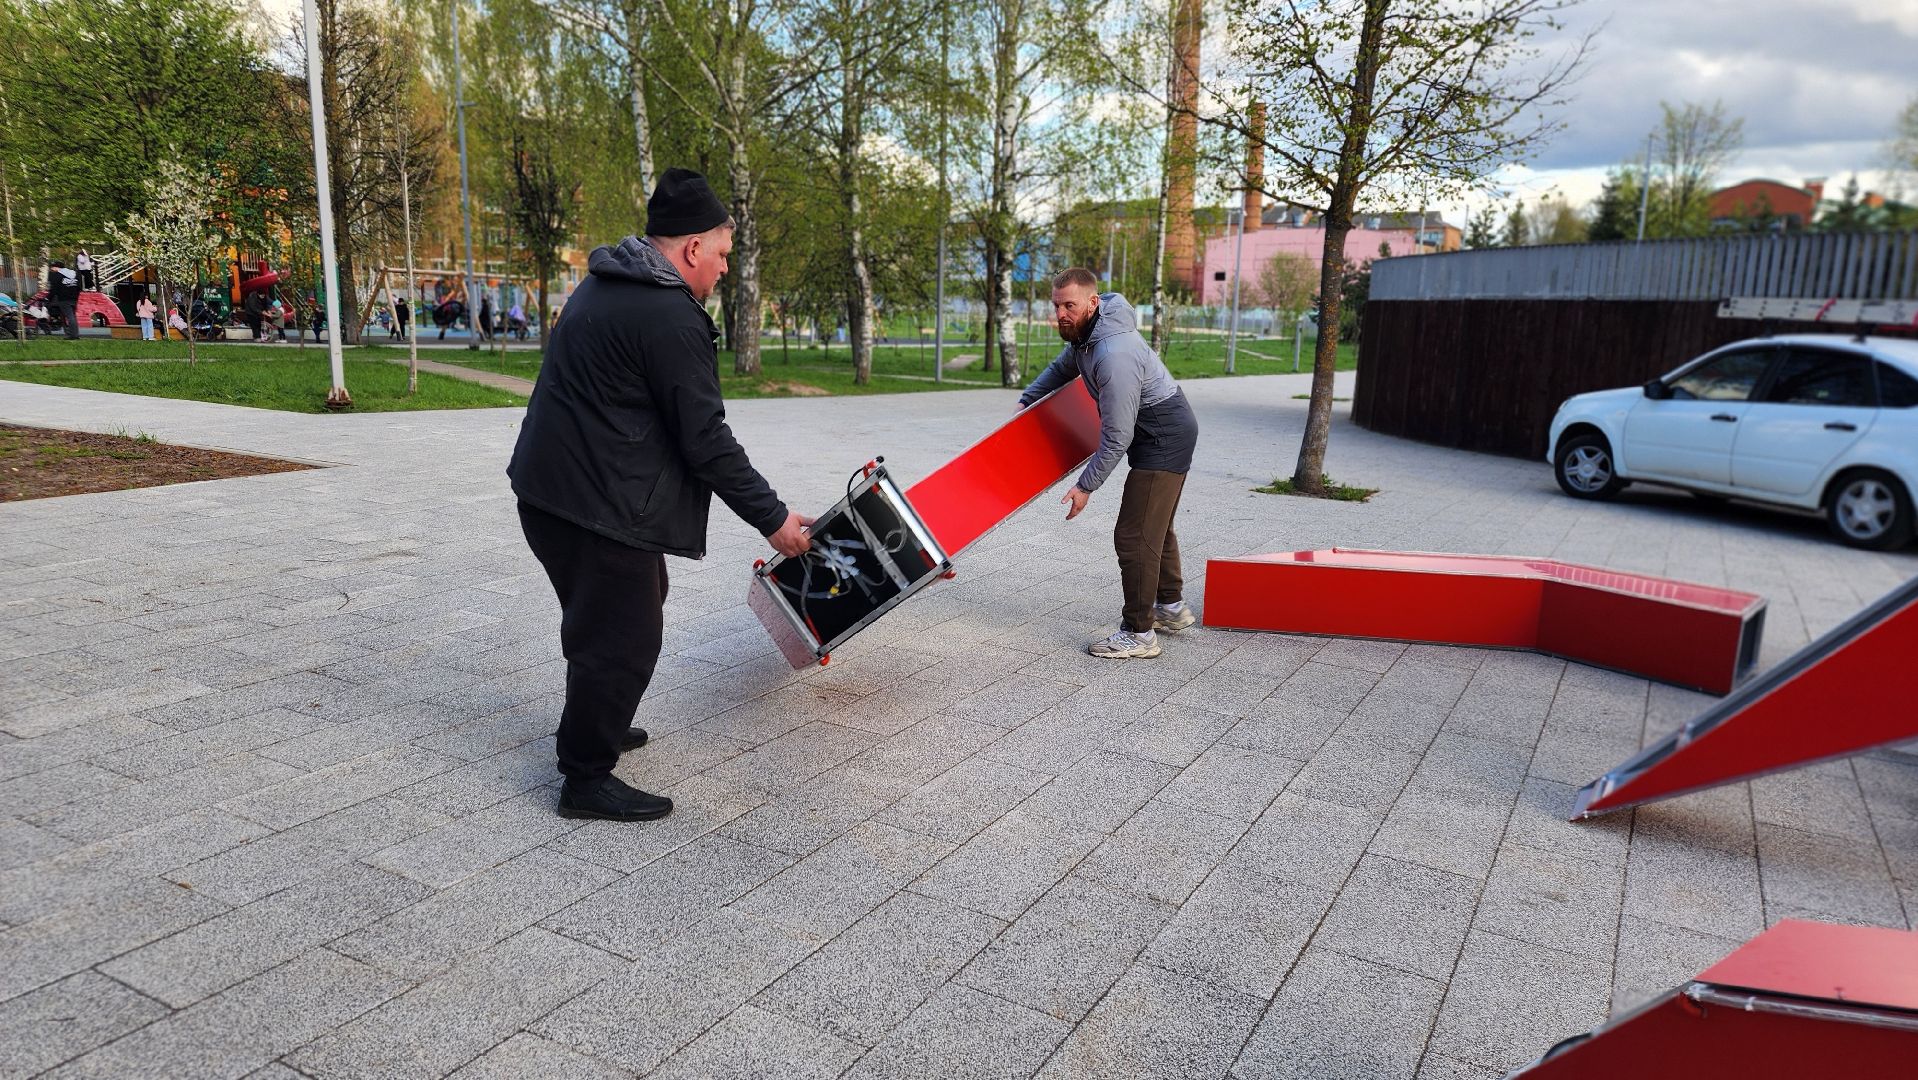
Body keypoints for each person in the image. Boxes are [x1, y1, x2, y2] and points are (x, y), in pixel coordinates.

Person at [508, 167, 813, 823]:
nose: (726, 269)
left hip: (551, 489)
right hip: (590, 504)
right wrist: (775, 520)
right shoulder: (670, 316)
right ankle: (585, 776)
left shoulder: (609, 281)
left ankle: (602, 717)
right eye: (724, 255)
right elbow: (705, 439)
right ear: (693, 248)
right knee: (623, 636)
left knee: (617, 613)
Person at [1018, 267, 1201, 660]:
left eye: (1070, 305)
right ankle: (1169, 607)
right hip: (1165, 429)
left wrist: (1085, 486)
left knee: (1133, 535)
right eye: (1056, 306)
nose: (1062, 313)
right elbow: (1062, 367)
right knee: (1157, 524)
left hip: (1163, 437)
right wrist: (1026, 401)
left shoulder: (1112, 354)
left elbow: (1117, 436)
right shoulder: (1087, 335)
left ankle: (1139, 633)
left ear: (1092, 302)